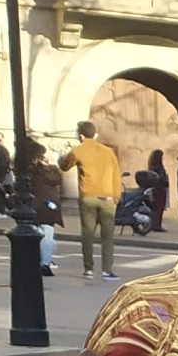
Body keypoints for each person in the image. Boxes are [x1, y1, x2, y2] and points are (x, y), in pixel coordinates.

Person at [60, 120, 122, 282]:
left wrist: (63, 157)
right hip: (107, 197)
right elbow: (116, 175)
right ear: (93, 134)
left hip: (88, 196)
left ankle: (88, 269)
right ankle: (107, 270)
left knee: (87, 234)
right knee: (107, 237)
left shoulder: (78, 151)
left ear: (80, 135)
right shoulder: (108, 152)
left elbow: (65, 166)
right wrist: (116, 196)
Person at [17, 134, 62, 276]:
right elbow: (57, 178)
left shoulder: (26, 171)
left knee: (35, 234)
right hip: (49, 205)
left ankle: (35, 261)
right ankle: (45, 263)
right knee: (47, 235)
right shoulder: (49, 170)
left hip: (33, 205)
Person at [139, 148, 170, 232]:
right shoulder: (158, 167)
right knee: (159, 207)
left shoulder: (152, 166)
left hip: (156, 189)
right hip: (159, 189)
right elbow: (160, 178)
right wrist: (165, 182)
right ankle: (157, 225)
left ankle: (155, 224)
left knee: (156, 207)